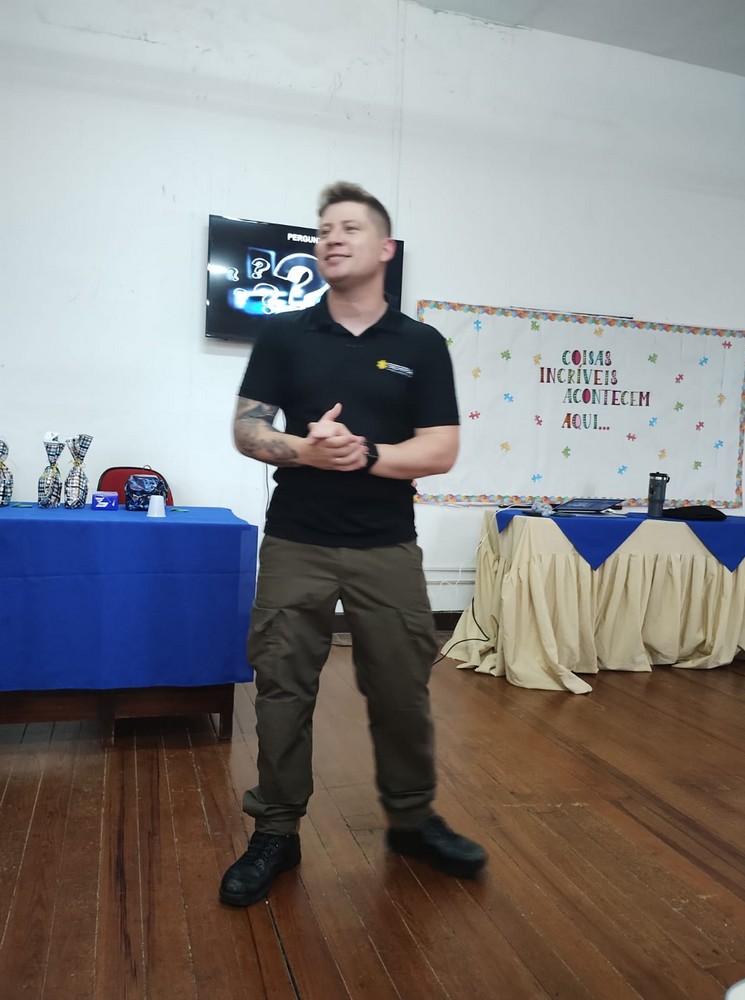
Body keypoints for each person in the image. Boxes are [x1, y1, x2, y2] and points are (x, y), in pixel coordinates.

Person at [219, 181, 487, 907]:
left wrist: (364, 454)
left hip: (386, 546)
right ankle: (276, 830)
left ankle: (412, 821)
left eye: (349, 227)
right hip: (296, 541)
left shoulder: (421, 345)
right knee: (281, 689)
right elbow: (247, 428)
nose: (331, 238)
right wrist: (304, 450)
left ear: (386, 249)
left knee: (402, 691)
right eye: (323, 229)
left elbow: (440, 449)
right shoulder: (284, 335)